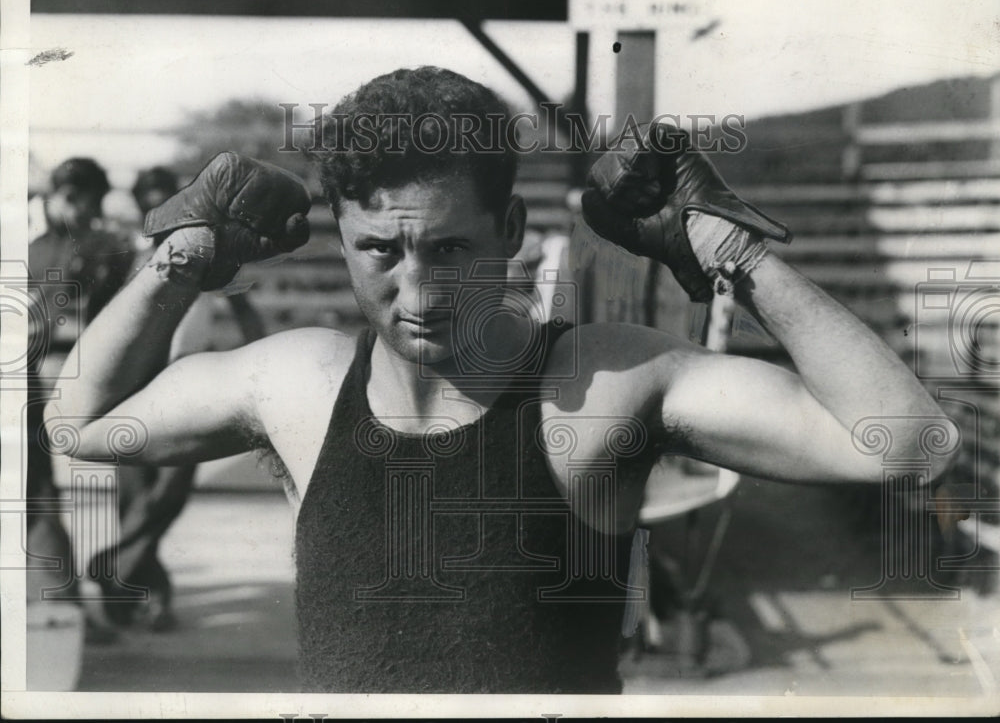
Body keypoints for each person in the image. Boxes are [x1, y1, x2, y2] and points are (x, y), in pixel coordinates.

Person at [44, 67, 957, 693]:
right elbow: (80, 423)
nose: (419, 291)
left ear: (511, 227)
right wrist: (180, 259)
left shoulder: (602, 382)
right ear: (344, 235)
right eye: (381, 251)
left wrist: (733, 250)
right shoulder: (301, 384)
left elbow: (909, 444)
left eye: (449, 248)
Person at [89, 166, 268, 632]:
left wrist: (256, 364)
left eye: (168, 201)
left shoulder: (211, 254)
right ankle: (144, 599)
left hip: (190, 379)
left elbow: (246, 313)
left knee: (168, 492)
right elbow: (100, 318)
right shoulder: (126, 256)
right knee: (133, 498)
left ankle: (115, 567)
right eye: (151, 203)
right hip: (134, 383)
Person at [27, 157, 135, 643]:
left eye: (87, 201)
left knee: (49, 489)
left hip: (66, 369)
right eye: (77, 200)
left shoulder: (103, 246)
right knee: (38, 491)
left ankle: (75, 600)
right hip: (33, 370)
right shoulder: (33, 242)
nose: (83, 210)